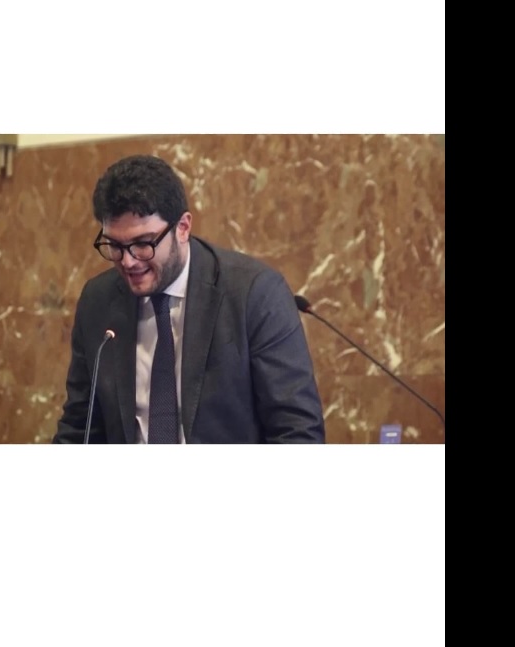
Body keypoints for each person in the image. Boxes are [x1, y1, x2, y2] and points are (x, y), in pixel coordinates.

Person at [52, 154, 325, 443]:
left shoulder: (255, 294)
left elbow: (298, 433)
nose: (128, 261)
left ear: (182, 227)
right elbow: (80, 429)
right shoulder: (98, 300)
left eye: (142, 244)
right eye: (115, 245)